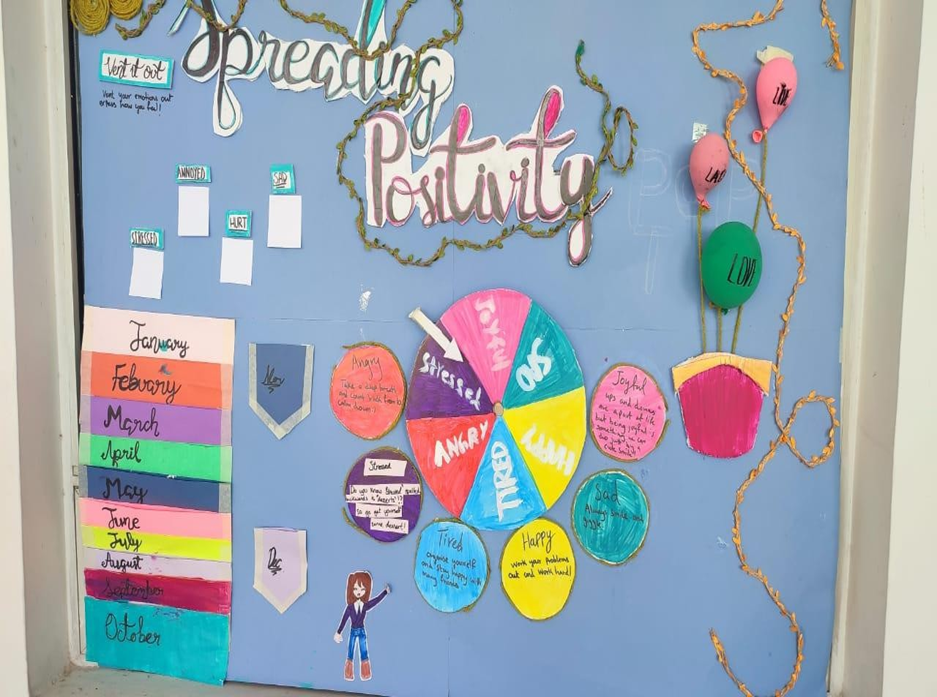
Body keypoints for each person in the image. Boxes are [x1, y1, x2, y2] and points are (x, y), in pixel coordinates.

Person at [333, 571, 390, 681]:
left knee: (364, 651)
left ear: (366, 590)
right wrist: (338, 632)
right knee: (350, 651)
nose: (359, 592)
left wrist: (385, 592)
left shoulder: (365, 605)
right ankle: (348, 674)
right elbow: (344, 620)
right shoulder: (349, 607)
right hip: (353, 631)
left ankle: (366, 674)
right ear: (351, 589)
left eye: (362, 589)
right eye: (355, 589)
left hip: (362, 631)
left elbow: (376, 601)